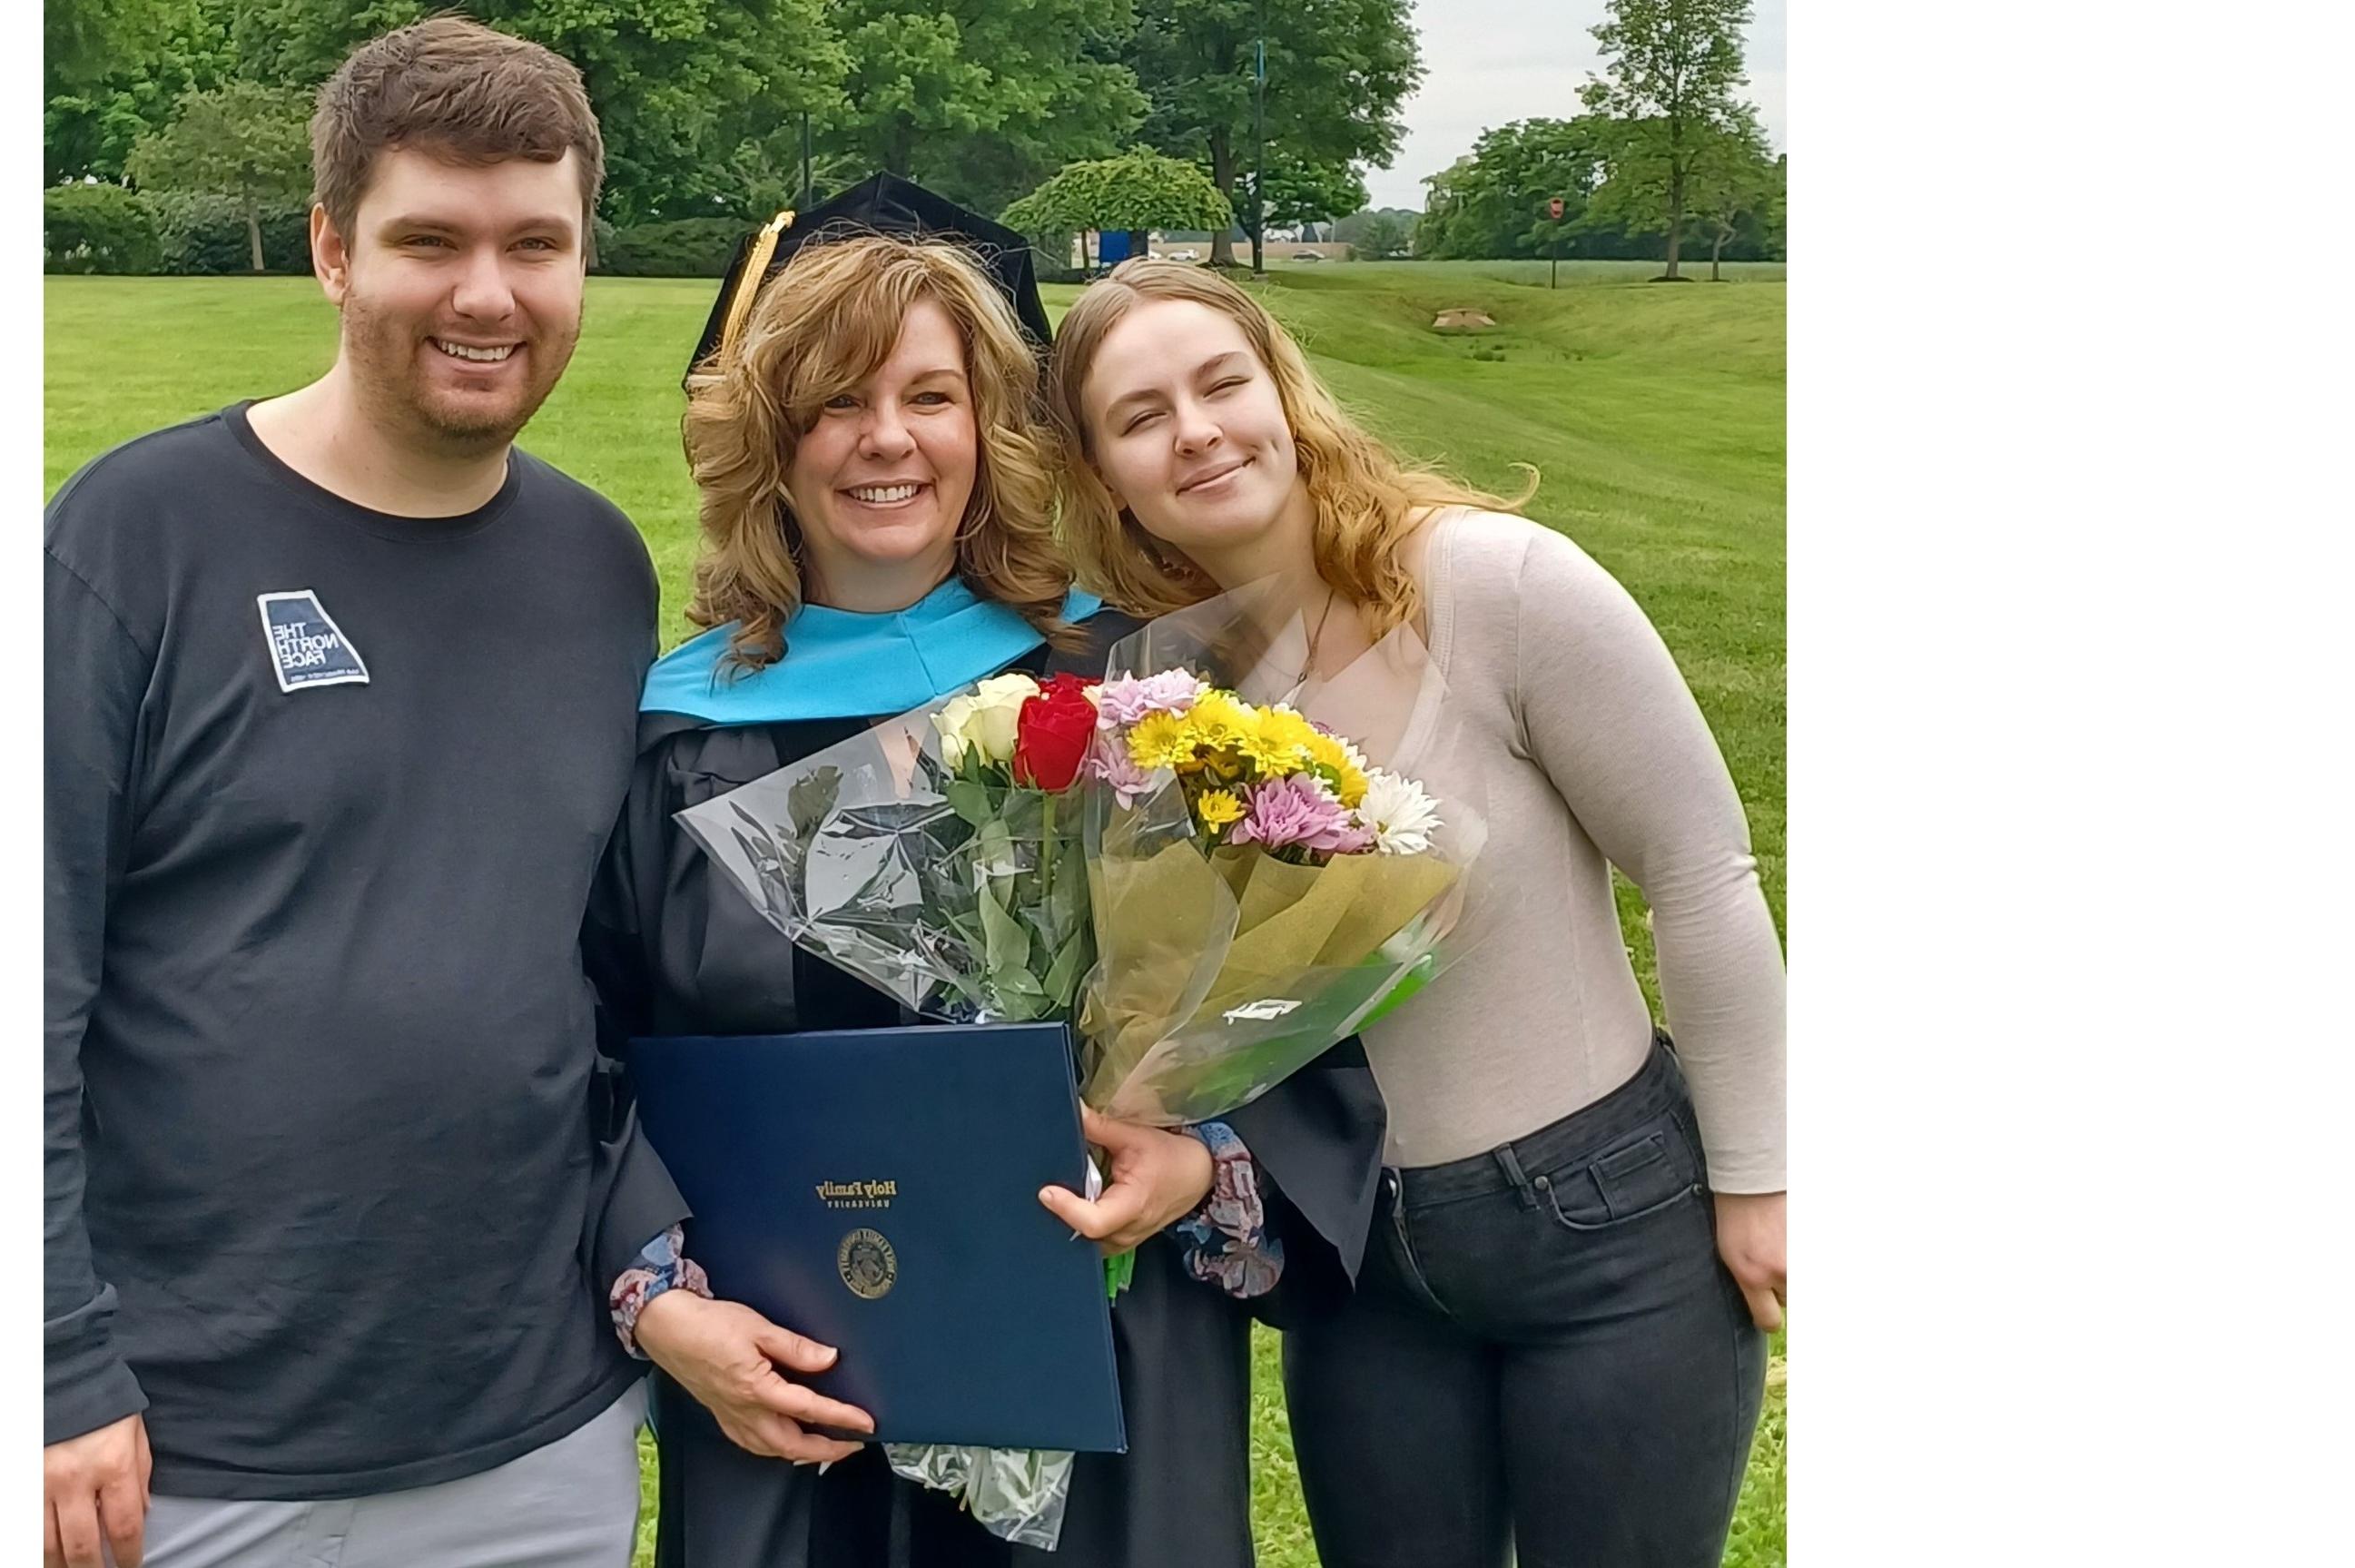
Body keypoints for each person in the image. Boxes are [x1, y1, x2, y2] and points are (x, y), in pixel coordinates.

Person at [589, 217, 1385, 1568]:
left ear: (989, 429)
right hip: (790, 1371)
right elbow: (582, 1045)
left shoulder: (1129, 689)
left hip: (1096, 1343)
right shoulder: (673, 739)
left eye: (928, 397)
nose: (884, 438)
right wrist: (659, 1298)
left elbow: (1272, 1009)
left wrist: (1199, 1168)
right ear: (769, 445)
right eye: (833, 402)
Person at [42, 19, 685, 1568]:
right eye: (429, 240)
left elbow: (596, 982)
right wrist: (50, 1359)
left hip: (538, 1434)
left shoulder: (598, 568)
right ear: (334, 249)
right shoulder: (140, 536)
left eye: (537, 242)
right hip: (192, 1449)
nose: (488, 293)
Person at [1043, 255, 1788, 1568]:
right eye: (1141, 415)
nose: (1198, 430)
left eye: (1223, 383)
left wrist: (1756, 1179)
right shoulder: (1163, 691)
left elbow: (1700, 874)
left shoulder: (1490, 584)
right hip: (1360, 1273)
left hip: (1607, 1237)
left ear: (1286, 391)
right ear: (1103, 469)